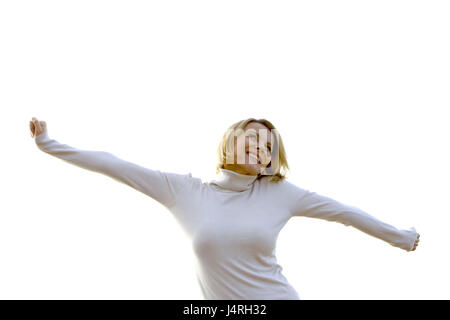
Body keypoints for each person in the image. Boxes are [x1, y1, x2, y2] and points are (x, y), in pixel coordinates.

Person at [29, 116, 420, 300]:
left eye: (269, 146)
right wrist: (48, 143)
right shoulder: (184, 192)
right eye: (253, 139)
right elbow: (115, 165)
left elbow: (345, 213)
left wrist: (399, 238)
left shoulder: (281, 193)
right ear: (228, 144)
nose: (261, 148)